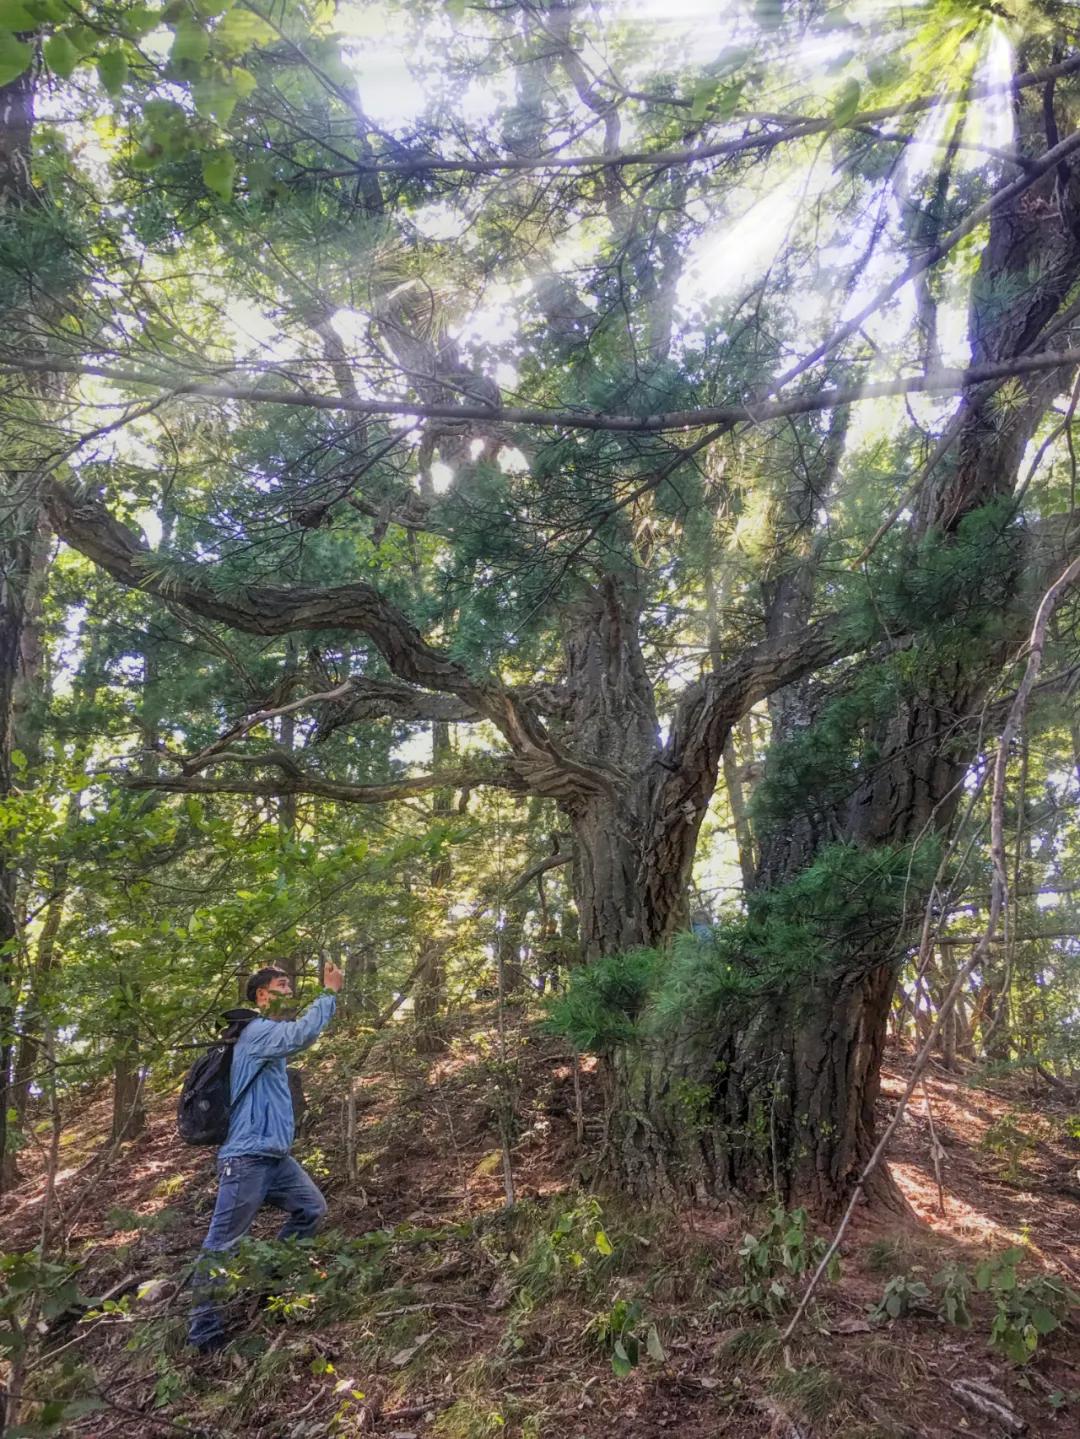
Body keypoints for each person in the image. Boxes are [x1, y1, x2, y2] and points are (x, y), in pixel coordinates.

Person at [187, 960, 342, 1353]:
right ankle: (203, 1331)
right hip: (246, 1157)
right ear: (261, 995)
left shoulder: (264, 1035)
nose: (289, 990)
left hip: (273, 1155)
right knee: (222, 1242)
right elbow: (302, 1034)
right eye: (282, 984)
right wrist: (329, 992)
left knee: (311, 1209)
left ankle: (270, 1286)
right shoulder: (257, 1032)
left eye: (289, 984)